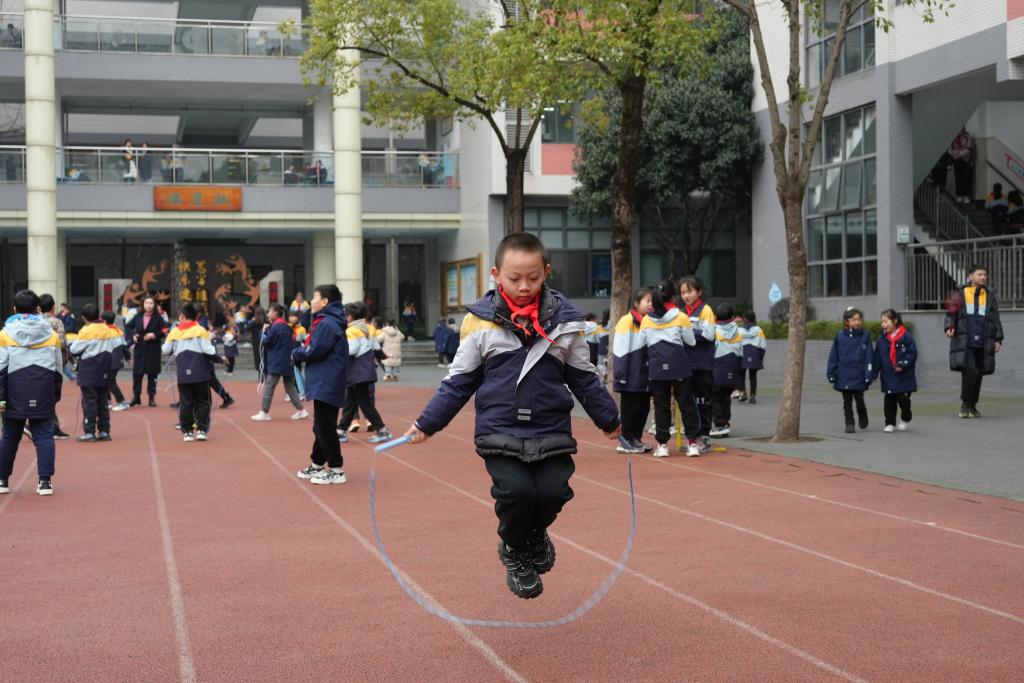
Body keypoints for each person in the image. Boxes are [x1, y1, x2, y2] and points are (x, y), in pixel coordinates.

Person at [403, 233, 621, 599]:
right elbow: (458, 382)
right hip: (499, 429)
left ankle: (535, 534)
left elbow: (584, 376)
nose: (524, 287)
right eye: (514, 279)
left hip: (551, 426)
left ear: (546, 272)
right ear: (496, 274)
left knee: (553, 493)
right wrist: (428, 422)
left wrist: (610, 419)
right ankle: (515, 550)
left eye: (533, 278)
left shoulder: (566, 321)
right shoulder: (479, 323)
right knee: (516, 492)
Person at [0, 289, 63, 496]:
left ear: (15, 309)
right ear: (38, 309)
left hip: (13, 390)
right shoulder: (52, 335)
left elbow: (1, 368)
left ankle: (2, 481)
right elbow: (58, 369)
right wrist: (55, 394)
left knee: (9, 437)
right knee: (44, 436)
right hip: (42, 387)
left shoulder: (4, 334)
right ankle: (45, 483)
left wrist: (1, 398)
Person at [292, 284, 349, 485]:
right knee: (321, 426)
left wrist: (296, 353)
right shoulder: (328, 322)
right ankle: (317, 463)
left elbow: (315, 350)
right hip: (327, 378)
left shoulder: (326, 324)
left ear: (325, 302)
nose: (310, 301)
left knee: (324, 426)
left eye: (314, 297)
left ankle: (336, 469)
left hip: (327, 379)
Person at [944, 264, 1004, 418]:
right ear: (970, 276)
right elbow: (951, 314)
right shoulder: (959, 293)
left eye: (985, 274)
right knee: (970, 371)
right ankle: (965, 404)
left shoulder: (990, 295)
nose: (983, 277)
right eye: (979, 274)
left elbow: (995, 318)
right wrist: (949, 327)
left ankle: (972, 405)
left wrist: (998, 339)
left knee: (979, 374)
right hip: (965, 340)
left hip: (984, 341)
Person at [162, 303, 223, 442]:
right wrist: (220, 358)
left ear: (182, 316)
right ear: (196, 316)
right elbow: (208, 350)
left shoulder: (175, 331)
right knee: (203, 401)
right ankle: (201, 430)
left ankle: (187, 432)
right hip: (200, 372)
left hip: (183, 373)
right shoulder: (201, 330)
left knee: (186, 402)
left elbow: (165, 350)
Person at [336, 301, 392, 443]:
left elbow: (352, 350)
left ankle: (382, 430)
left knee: (364, 403)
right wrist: (383, 357)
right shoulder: (368, 328)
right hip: (366, 369)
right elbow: (376, 347)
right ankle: (341, 430)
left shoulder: (351, 331)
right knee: (351, 401)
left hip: (357, 371)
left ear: (349, 317)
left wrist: (338, 353)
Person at [68, 304, 123, 443]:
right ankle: (104, 431)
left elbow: (74, 349)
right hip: (105, 367)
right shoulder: (108, 329)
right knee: (103, 401)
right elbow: (116, 345)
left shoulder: (86, 331)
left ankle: (90, 431)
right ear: (99, 315)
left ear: (84, 318)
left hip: (89, 369)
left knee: (89, 402)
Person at [612, 288, 654, 454]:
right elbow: (621, 349)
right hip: (631, 375)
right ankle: (625, 441)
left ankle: (636, 439)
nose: (651, 304)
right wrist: (621, 375)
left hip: (645, 375)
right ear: (637, 303)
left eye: (652, 301)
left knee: (643, 408)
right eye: (647, 301)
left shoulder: (649, 321)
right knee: (631, 408)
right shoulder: (626, 321)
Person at [679, 276, 716, 454]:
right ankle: (693, 437)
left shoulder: (705, 310)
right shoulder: (681, 312)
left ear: (699, 291)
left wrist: (688, 331)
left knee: (703, 401)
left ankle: (704, 437)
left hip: (702, 364)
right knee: (690, 402)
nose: (686, 295)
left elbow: (709, 334)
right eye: (683, 292)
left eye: (689, 291)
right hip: (686, 365)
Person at [251, 304, 307, 421]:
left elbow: (266, 341)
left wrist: (263, 331)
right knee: (289, 387)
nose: (268, 314)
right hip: (287, 360)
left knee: (269, 386)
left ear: (275, 313)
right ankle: (301, 410)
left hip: (277, 361)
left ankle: (264, 412)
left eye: (270, 311)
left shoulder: (275, 327)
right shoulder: (286, 327)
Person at [826, 307, 873, 433]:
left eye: (859, 319)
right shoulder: (840, 336)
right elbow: (833, 355)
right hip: (843, 374)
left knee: (859, 398)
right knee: (847, 401)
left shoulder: (865, 335)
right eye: (854, 319)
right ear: (847, 322)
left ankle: (862, 414)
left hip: (859, 374)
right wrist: (831, 372)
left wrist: (869, 374)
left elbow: (869, 356)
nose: (857, 322)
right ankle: (849, 423)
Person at [874, 309, 917, 433]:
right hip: (888, 376)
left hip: (903, 376)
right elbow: (877, 357)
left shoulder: (906, 337)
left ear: (895, 321)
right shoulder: (882, 339)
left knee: (903, 400)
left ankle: (906, 417)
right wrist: (874, 373)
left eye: (886, 321)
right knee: (889, 402)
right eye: (882, 322)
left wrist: (903, 364)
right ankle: (890, 423)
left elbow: (912, 354)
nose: (883, 325)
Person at [38, 294, 71, 438]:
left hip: (36, 363)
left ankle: (52, 426)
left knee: (41, 395)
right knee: (52, 396)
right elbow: (62, 343)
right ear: (53, 307)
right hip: (53, 364)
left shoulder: (35, 321)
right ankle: (40, 425)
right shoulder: (57, 322)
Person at [709, 304, 743, 439]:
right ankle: (725, 423)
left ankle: (720, 425)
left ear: (715, 317)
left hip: (718, 369)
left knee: (715, 398)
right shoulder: (739, 332)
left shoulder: (714, 332)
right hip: (733, 370)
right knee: (725, 398)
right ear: (733, 318)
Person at [127, 295, 165, 407]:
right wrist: (133, 336)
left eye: (151, 303)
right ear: (143, 305)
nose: (149, 305)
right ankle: (136, 396)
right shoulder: (137, 316)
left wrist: (154, 335)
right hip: (140, 349)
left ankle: (151, 397)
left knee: (152, 375)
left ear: (154, 305)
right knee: (137, 375)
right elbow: (128, 327)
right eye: (146, 303)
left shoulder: (158, 318)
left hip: (153, 350)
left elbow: (164, 331)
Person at [101, 311, 131, 412]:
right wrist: (128, 357)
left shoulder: (106, 332)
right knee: (106, 381)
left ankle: (121, 401)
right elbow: (124, 346)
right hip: (116, 360)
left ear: (104, 321)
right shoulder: (118, 330)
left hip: (111, 360)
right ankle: (107, 402)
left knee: (110, 382)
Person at [738, 310, 766, 404]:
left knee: (741, 375)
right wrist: (760, 357)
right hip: (754, 353)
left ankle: (743, 393)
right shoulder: (759, 330)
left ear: (745, 319)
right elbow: (763, 345)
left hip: (742, 353)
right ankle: (752, 396)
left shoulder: (739, 331)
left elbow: (736, 344)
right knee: (753, 376)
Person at [951, 128, 973, 204]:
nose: (959, 130)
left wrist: (959, 154)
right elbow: (953, 151)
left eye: (961, 128)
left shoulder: (967, 137)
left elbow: (968, 150)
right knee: (958, 178)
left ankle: (966, 196)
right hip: (957, 162)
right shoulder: (954, 138)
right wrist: (959, 153)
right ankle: (959, 195)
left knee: (966, 178)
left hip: (966, 161)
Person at [289, 312, 308, 398]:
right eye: (291, 316)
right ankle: (291, 392)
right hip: (288, 352)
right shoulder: (287, 327)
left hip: (297, 352)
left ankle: (301, 391)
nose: (292, 318)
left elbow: (305, 341)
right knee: (290, 372)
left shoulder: (302, 329)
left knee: (298, 371)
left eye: (294, 316)